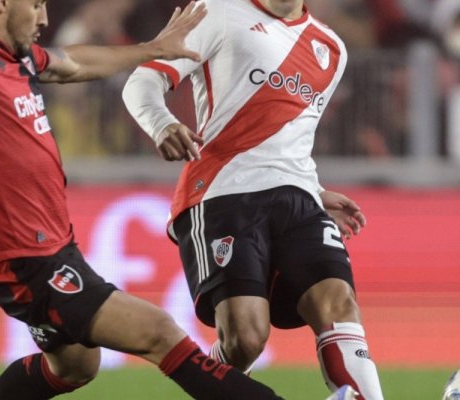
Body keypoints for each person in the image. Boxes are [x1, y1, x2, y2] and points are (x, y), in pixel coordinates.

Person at [0, 0, 359, 399]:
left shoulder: (15, 58)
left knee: (75, 366)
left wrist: (153, 47)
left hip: (54, 248)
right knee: (161, 334)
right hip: (27, 259)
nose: (45, 18)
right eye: (35, 6)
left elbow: (76, 63)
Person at [122, 0, 384, 399]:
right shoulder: (218, 11)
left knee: (338, 304)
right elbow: (141, 82)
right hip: (224, 190)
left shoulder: (332, 47)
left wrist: (314, 192)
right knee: (246, 337)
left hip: (299, 199)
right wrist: (161, 124)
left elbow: (293, 136)